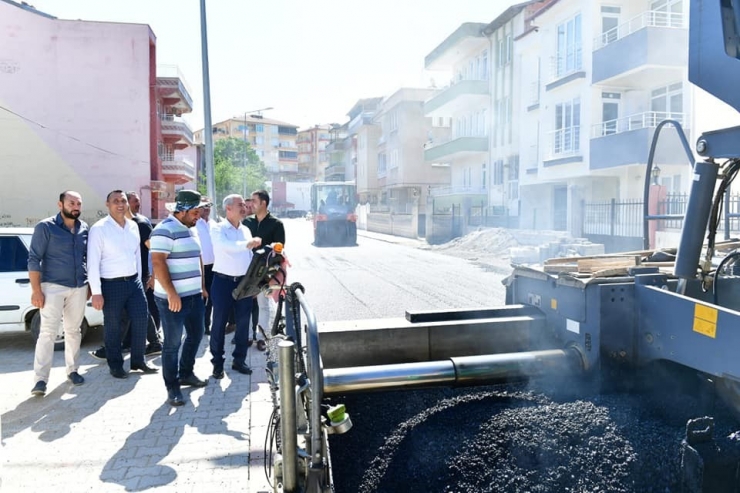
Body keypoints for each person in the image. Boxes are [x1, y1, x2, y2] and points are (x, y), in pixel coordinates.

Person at [87, 190, 158, 379]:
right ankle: (115, 365)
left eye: (123, 201)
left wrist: (143, 279)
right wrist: (96, 292)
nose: (120, 204)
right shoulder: (99, 229)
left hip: (134, 282)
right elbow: (93, 262)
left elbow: (137, 257)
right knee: (113, 326)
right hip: (111, 285)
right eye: (115, 201)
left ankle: (138, 361)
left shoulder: (133, 227)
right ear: (107, 204)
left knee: (141, 319)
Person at [150, 190, 212, 406]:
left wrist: (202, 286)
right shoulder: (163, 230)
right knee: (172, 344)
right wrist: (171, 293)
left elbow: (198, 258)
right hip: (172, 300)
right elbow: (158, 263)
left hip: (194, 296)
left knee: (196, 335)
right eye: (195, 212)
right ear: (183, 210)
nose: (199, 216)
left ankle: (186, 372)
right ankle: (172, 387)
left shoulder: (190, 229)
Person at [28, 191, 90, 396]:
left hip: (78, 287)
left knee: (74, 331)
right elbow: (34, 259)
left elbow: (85, 258)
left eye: (79, 203)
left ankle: (73, 371)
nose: (76, 207)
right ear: (60, 204)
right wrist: (36, 291)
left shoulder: (84, 228)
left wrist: (88, 284)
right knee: (47, 333)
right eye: (71, 202)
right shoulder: (45, 227)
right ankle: (40, 380)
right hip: (52, 287)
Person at [210, 194, 261, 379]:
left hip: (243, 283)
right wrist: (248, 244)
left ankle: (239, 360)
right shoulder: (218, 229)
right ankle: (217, 363)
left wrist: (253, 284)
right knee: (219, 323)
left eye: (244, 204)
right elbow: (226, 246)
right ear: (228, 208)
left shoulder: (246, 230)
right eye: (240, 205)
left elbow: (248, 258)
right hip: (223, 282)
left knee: (243, 323)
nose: (244, 207)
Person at [244, 189, 285, 345]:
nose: (251, 204)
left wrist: (269, 275)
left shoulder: (276, 224)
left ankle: (262, 338)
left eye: (254, 201)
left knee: (263, 305)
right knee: (246, 305)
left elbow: (279, 252)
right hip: (246, 271)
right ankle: (247, 336)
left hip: (265, 273)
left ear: (264, 203)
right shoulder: (247, 223)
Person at [194, 201, 215, 335]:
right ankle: (198, 326)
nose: (206, 209)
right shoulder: (195, 224)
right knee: (201, 298)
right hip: (200, 267)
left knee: (212, 298)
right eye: (203, 206)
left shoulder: (214, 224)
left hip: (214, 267)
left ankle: (206, 325)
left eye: (209, 206)